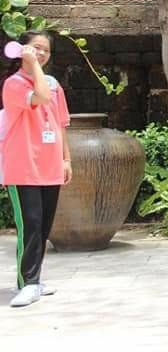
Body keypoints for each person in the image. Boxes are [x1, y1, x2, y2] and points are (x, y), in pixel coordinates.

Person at [1, 30, 71, 308]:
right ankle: (27, 283)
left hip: (50, 166)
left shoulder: (54, 85)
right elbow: (40, 96)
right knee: (29, 226)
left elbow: (61, 124)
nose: (41, 53)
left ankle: (35, 279)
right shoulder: (14, 84)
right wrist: (31, 65)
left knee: (43, 227)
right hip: (23, 168)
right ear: (22, 50)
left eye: (46, 50)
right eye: (36, 48)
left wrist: (66, 159)